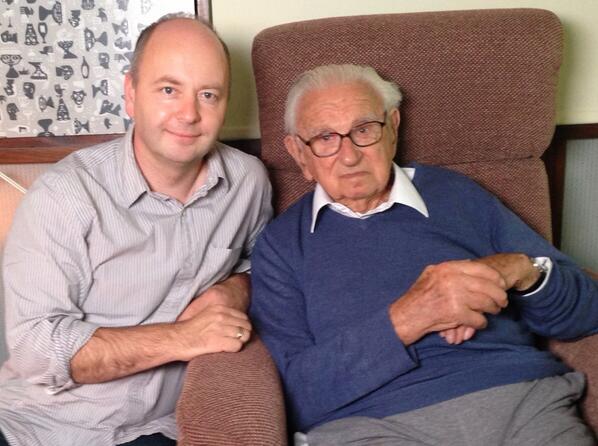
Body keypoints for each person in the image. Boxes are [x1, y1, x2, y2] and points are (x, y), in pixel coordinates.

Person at [249, 64, 598, 445]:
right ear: (299, 153)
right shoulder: (281, 247)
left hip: (518, 400)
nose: (349, 156)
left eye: (364, 130)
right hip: (372, 425)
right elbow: (299, 392)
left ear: (393, 127)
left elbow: (585, 312)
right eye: (325, 138)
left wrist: (519, 269)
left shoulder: (460, 195)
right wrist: (408, 318)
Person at [0, 14, 272, 446]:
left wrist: (234, 290)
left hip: (161, 429)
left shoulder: (248, 182)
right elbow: (37, 348)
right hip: (42, 427)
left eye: (208, 94)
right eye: (169, 90)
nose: (189, 114)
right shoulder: (65, 195)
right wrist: (182, 338)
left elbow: (265, 267)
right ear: (130, 94)